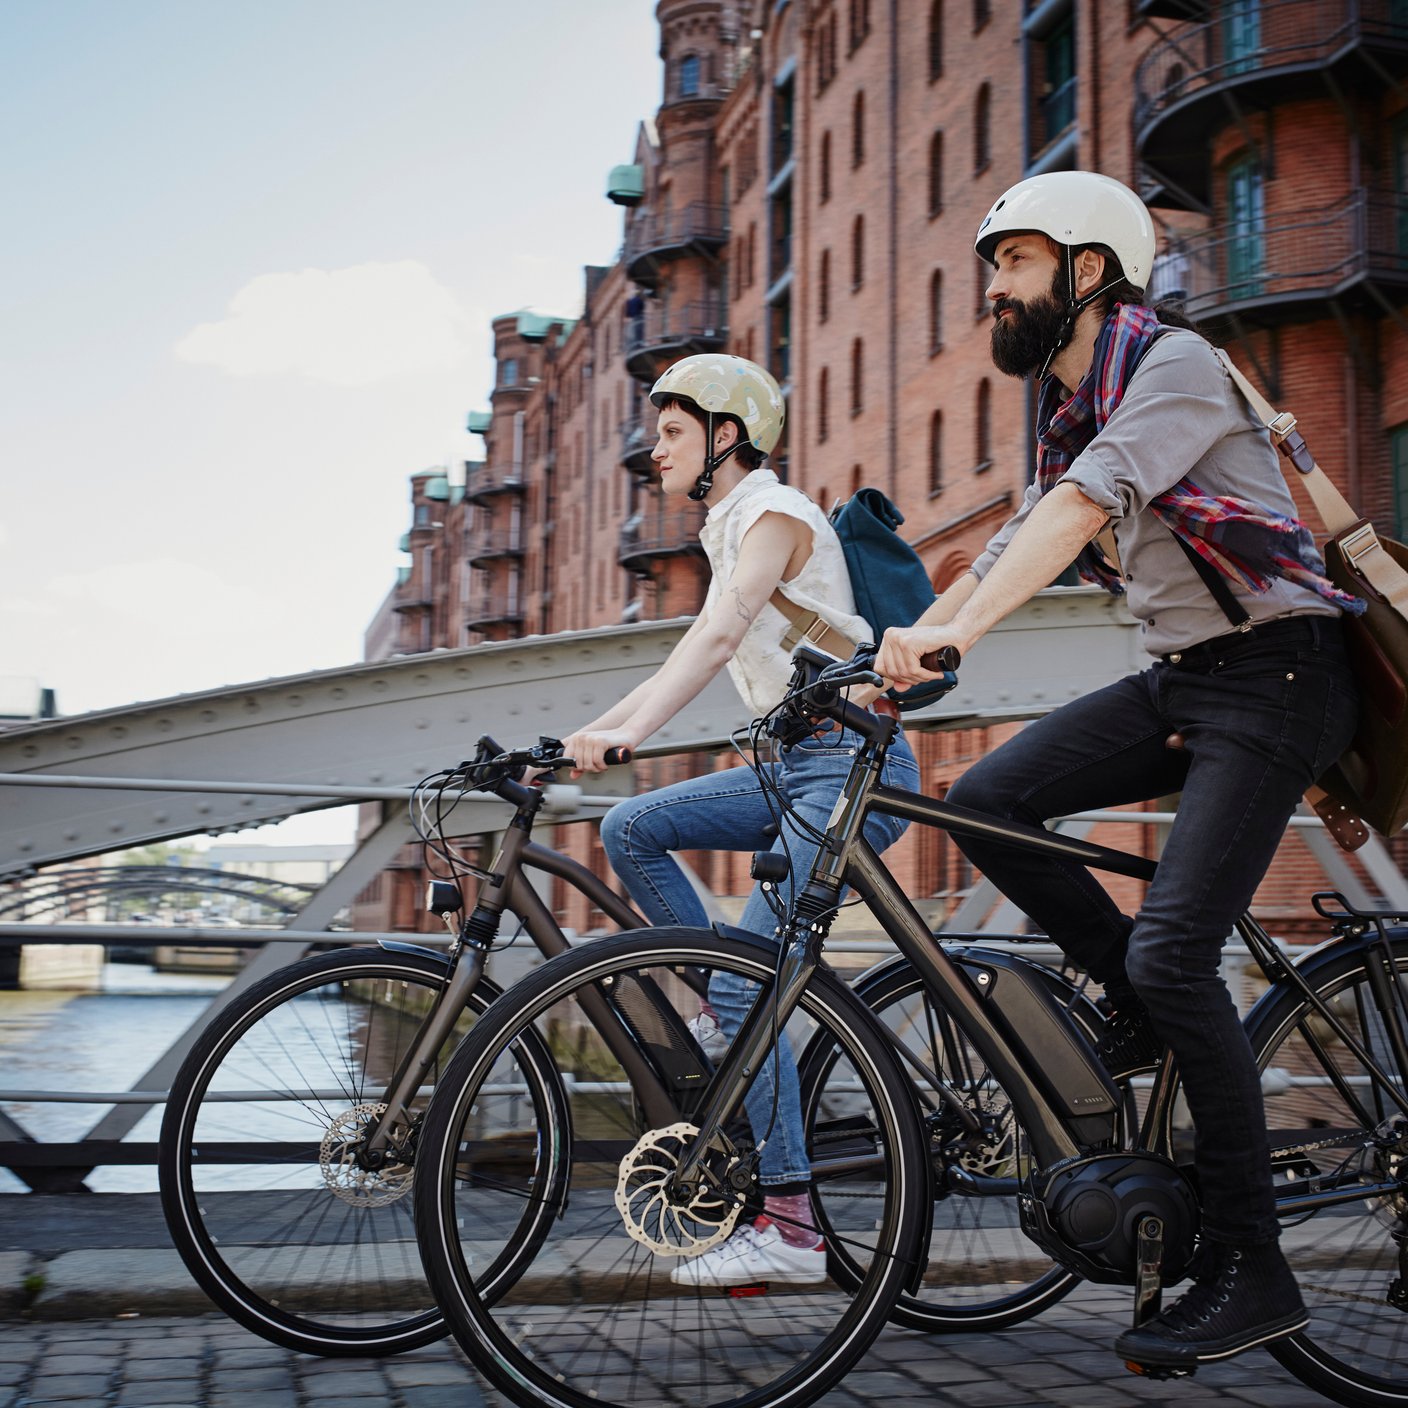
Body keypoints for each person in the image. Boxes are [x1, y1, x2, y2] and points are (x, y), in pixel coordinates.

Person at [873, 171, 1360, 1368]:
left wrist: (958, 638)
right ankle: (1140, 1005)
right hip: (1190, 677)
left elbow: (1083, 510)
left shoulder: (1175, 369)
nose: (993, 287)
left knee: (1175, 942)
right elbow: (1010, 533)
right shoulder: (1073, 398)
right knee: (986, 798)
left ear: (1090, 271)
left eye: (1016, 263)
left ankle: (1253, 1266)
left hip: (1281, 670)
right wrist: (897, 645)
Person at [565, 352, 920, 1286]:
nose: (657, 450)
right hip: (793, 765)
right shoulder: (731, 524)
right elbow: (701, 640)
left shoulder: (772, 514)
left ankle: (795, 1228)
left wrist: (629, 731)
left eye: (675, 432)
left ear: (729, 437)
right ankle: (725, 1010)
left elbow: (716, 636)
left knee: (745, 986)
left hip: (847, 771)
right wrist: (592, 733)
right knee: (630, 829)